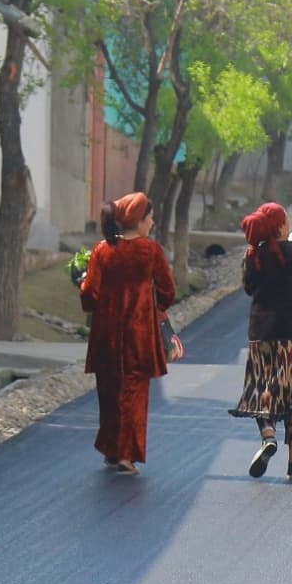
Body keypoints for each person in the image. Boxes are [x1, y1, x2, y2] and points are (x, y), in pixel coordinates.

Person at [79, 192, 182, 475]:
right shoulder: (151, 251)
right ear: (138, 220)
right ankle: (127, 455)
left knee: (109, 391)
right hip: (138, 334)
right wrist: (154, 308)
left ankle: (111, 448)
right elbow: (168, 291)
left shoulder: (102, 250)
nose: (152, 222)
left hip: (106, 335)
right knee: (134, 393)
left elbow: (90, 295)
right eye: (149, 218)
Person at [230, 202, 292, 481]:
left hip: (265, 334)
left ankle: (268, 435)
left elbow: (250, 288)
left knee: (264, 386)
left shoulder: (254, 257)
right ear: (280, 227)